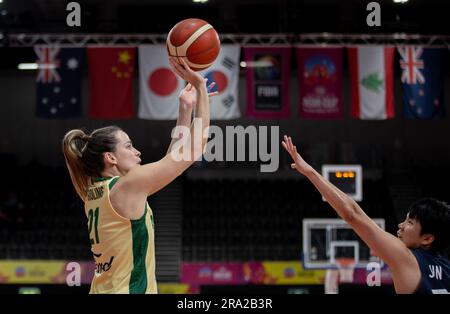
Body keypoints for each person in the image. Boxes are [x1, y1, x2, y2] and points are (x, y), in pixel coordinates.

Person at [62, 58, 217, 294]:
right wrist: (201, 88)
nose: (137, 152)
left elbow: (169, 162)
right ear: (110, 158)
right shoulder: (125, 187)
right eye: (129, 146)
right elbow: (194, 150)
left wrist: (185, 109)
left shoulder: (95, 190)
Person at [282, 135, 450, 294]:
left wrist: (310, 171)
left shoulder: (406, 258)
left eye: (410, 223)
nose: (401, 225)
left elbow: (352, 214)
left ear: (427, 239)